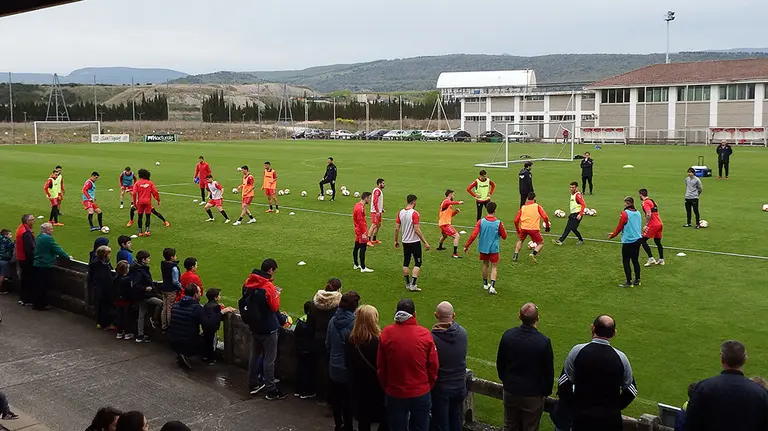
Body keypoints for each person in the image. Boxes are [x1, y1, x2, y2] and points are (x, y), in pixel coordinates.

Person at [558, 315, 637, 431]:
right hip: (610, 421)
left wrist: (574, 405)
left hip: (581, 419)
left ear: (593, 328)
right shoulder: (621, 358)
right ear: (614, 333)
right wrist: (614, 408)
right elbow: (631, 391)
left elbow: (564, 383)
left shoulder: (577, 351)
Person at [378, 298, 438, 431]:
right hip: (419, 392)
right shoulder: (424, 334)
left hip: (395, 392)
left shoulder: (386, 333)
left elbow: (381, 367)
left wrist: (387, 387)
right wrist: (426, 386)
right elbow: (433, 366)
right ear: (414, 314)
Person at [684, 340, 768, 431]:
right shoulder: (760, 393)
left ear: (722, 358)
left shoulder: (703, 387)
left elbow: (690, 424)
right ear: (745, 359)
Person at [496, 303, 554, 431]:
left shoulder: (508, 335)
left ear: (519, 316)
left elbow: (500, 363)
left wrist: (506, 380)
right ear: (537, 318)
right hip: (532, 394)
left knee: (510, 426)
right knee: (530, 427)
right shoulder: (543, 342)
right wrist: (545, 392)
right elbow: (548, 371)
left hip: (511, 390)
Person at [239, 258, 288, 399]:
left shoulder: (248, 282)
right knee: (269, 359)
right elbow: (274, 307)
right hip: (268, 327)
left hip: (254, 325)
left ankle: (253, 383)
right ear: (271, 270)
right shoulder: (268, 287)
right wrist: (276, 295)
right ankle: (271, 390)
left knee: (254, 356)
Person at [346, 305, 388, 431]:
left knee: (363, 421)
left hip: (358, 386)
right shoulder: (378, 342)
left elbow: (347, 362)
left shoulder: (351, 339)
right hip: (375, 386)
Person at [430, 302, 468, 431]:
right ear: (454, 315)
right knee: (456, 417)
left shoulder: (432, 338)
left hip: (441, 388)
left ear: (436, 315)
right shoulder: (462, 333)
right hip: (459, 385)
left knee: (441, 424)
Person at [326, 291, 361, 431]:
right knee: (348, 400)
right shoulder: (355, 323)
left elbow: (328, 344)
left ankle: (338, 424)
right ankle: (348, 426)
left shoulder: (332, 321)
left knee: (337, 399)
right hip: (347, 368)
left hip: (334, 366)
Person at [169, 284, 225, 368]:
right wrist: (221, 313)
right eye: (199, 292)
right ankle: (190, 354)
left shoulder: (176, 305)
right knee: (209, 338)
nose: (200, 294)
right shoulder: (196, 308)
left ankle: (182, 353)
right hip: (188, 342)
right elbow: (209, 324)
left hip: (172, 340)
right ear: (195, 294)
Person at [305, 278, 343, 400]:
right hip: (331, 339)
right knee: (331, 368)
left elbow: (309, 324)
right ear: (338, 289)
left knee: (319, 366)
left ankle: (320, 394)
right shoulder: (338, 305)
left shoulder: (315, 303)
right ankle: (329, 397)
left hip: (317, 338)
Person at [464, 201, 507, 294]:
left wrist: (467, 245)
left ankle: (485, 284)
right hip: (494, 248)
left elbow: (473, 235)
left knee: (485, 264)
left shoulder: (481, 222)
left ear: (486, 210)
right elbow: (504, 236)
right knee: (494, 266)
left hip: (483, 247)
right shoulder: (498, 223)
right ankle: (492, 286)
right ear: (495, 210)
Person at [394, 194, 431, 292]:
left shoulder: (400, 212)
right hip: (414, 242)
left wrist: (396, 240)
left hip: (405, 241)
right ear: (414, 201)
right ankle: (413, 285)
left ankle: (407, 284)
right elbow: (417, 230)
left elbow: (397, 229)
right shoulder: (415, 213)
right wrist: (425, 242)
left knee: (406, 262)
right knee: (418, 262)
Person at [32, 222, 71, 310]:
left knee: (38, 285)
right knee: (42, 286)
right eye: (51, 229)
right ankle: (40, 305)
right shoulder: (48, 238)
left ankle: (37, 304)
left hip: (38, 263)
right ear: (46, 230)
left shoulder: (39, 237)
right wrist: (67, 257)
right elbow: (57, 249)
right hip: (44, 264)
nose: (52, 230)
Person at [608, 196, 643, 288]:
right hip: (637, 240)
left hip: (628, 241)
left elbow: (620, 226)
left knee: (626, 261)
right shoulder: (638, 213)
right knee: (635, 261)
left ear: (627, 203)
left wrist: (613, 235)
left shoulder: (625, 213)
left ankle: (629, 281)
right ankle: (637, 280)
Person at [129, 250, 162, 343]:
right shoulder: (140, 271)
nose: (149, 259)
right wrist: (145, 288)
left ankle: (141, 334)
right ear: (143, 260)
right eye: (148, 258)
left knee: (142, 314)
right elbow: (136, 285)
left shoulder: (138, 268)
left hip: (141, 295)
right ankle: (154, 319)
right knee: (161, 303)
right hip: (145, 295)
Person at [513, 192, 550, 263]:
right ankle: (533, 253)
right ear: (534, 198)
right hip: (534, 229)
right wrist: (547, 226)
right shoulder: (537, 206)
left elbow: (516, 220)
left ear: (527, 198)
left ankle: (515, 255)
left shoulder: (523, 207)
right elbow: (545, 217)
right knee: (541, 243)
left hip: (524, 228)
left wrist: (518, 230)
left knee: (520, 240)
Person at [133, 168, 169, 237]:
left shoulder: (137, 183)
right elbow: (155, 192)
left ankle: (140, 232)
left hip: (140, 202)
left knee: (140, 217)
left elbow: (134, 193)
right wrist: (158, 200)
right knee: (148, 217)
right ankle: (147, 231)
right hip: (147, 202)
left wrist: (134, 203)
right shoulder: (150, 183)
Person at [202, 288, 234, 364]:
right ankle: (211, 359)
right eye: (219, 295)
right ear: (216, 297)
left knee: (207, 342)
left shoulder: (206, 305)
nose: (220, 296)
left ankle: (206, 356)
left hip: (205, 328)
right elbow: (217, 316)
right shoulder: (216, 306)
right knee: (212, 344)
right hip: (213, 329)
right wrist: (223, 310)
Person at [91, 245, 116, 330]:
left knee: (100, 305)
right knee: (105, 306)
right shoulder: (103, 266)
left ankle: (100, 322)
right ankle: (105, 324)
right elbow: (107, 278)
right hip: (103, 289)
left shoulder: (95, 263)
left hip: (98, 288)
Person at [293, 300, 315, 398]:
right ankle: (306, 391)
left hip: (300, 348)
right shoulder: (313, 321)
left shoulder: (300, 320)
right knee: (308, 371)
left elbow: (295, 334)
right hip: (309, 349)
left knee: (300, 369)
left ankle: (298, 390)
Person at [638, 189, 665, 267]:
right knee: (658, 242)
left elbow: (648, 213)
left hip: (653, 224)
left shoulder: (645, 202)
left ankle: (651, 258)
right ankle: (661, 259)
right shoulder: (652, 201)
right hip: (659, 223)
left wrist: (647, 224)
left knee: (642, 240)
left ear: (641, 195)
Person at [554, 182, 586, 246]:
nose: (571, 189)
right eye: (570, 187)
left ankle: (560, 241)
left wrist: (580, 214)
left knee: (569, 228)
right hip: (572, 214)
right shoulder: (573, 194)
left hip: (577, 214)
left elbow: (583, 205)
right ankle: (581, 240)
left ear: (576, 187)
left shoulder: (577, 195)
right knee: (573, 228)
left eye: (573, 187)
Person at [14, 214, 36, 306]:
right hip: (26, 259)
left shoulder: (21, 228)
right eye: (32, 219)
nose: (34, 221)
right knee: (28, 279)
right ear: (27, 221)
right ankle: (27, 299)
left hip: (21, 257)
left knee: (24, 278)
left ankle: (23, 298)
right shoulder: (26, 232)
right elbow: (29, 249)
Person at [159, 248, 182, 331]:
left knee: (164, 308)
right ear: (172, 257)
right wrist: (181, 287)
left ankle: (164, 325)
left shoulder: (163, 264)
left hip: (164, 288)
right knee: (170, 308)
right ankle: (170, 326)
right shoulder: (174, 267)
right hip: (171, 290)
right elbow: (175, 281)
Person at [437, 189, 464, 258]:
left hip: (442, 223)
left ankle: (440, 247)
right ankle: (454, 254)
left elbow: (449, 216)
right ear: (450, 194)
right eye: (453, 194)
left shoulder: (448, 203)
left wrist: (455, 212)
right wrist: (458, 202)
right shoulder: (446, 201)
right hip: (445, 224)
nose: (453, 196)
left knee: (444, 236)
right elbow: (448, 203)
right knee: (457, 236)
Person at [114, 260, 135, 341]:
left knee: (119, 316)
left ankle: (119, 332)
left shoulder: (116, 278)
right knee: (127, 317)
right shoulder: (127, 280)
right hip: (126, 301)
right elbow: (130, 292)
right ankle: (127, 333)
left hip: (118, 300)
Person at [353, 192, 374, 273]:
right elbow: (360, 221)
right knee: (363, 248)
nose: (370, 200)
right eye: (369, 198)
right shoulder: (360, 208)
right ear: (366, 198)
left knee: (356, 247)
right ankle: (363, 267)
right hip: (361, 231)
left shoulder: (357, 205)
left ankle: (355, 264)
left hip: (358, 230)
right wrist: (364, 233)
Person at [367, 178, 385, 246]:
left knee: (378, 224)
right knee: (374, 225)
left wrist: (381, 209)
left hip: (378, 211)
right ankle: (368, 240)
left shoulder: (379, 190)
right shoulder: (377, 190)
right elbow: (375, 201)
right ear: (379, 184)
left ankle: (374, 239)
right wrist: (377, 211)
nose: (384, 184)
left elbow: (378, 201)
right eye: (383, 183)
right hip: (375, 211)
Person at [0, 229, 13, 294]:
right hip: (4, 260)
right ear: (5, 235)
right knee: (2, 275)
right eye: (10, 234)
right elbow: (12, 248)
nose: (11, 236)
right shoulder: (8, 241)